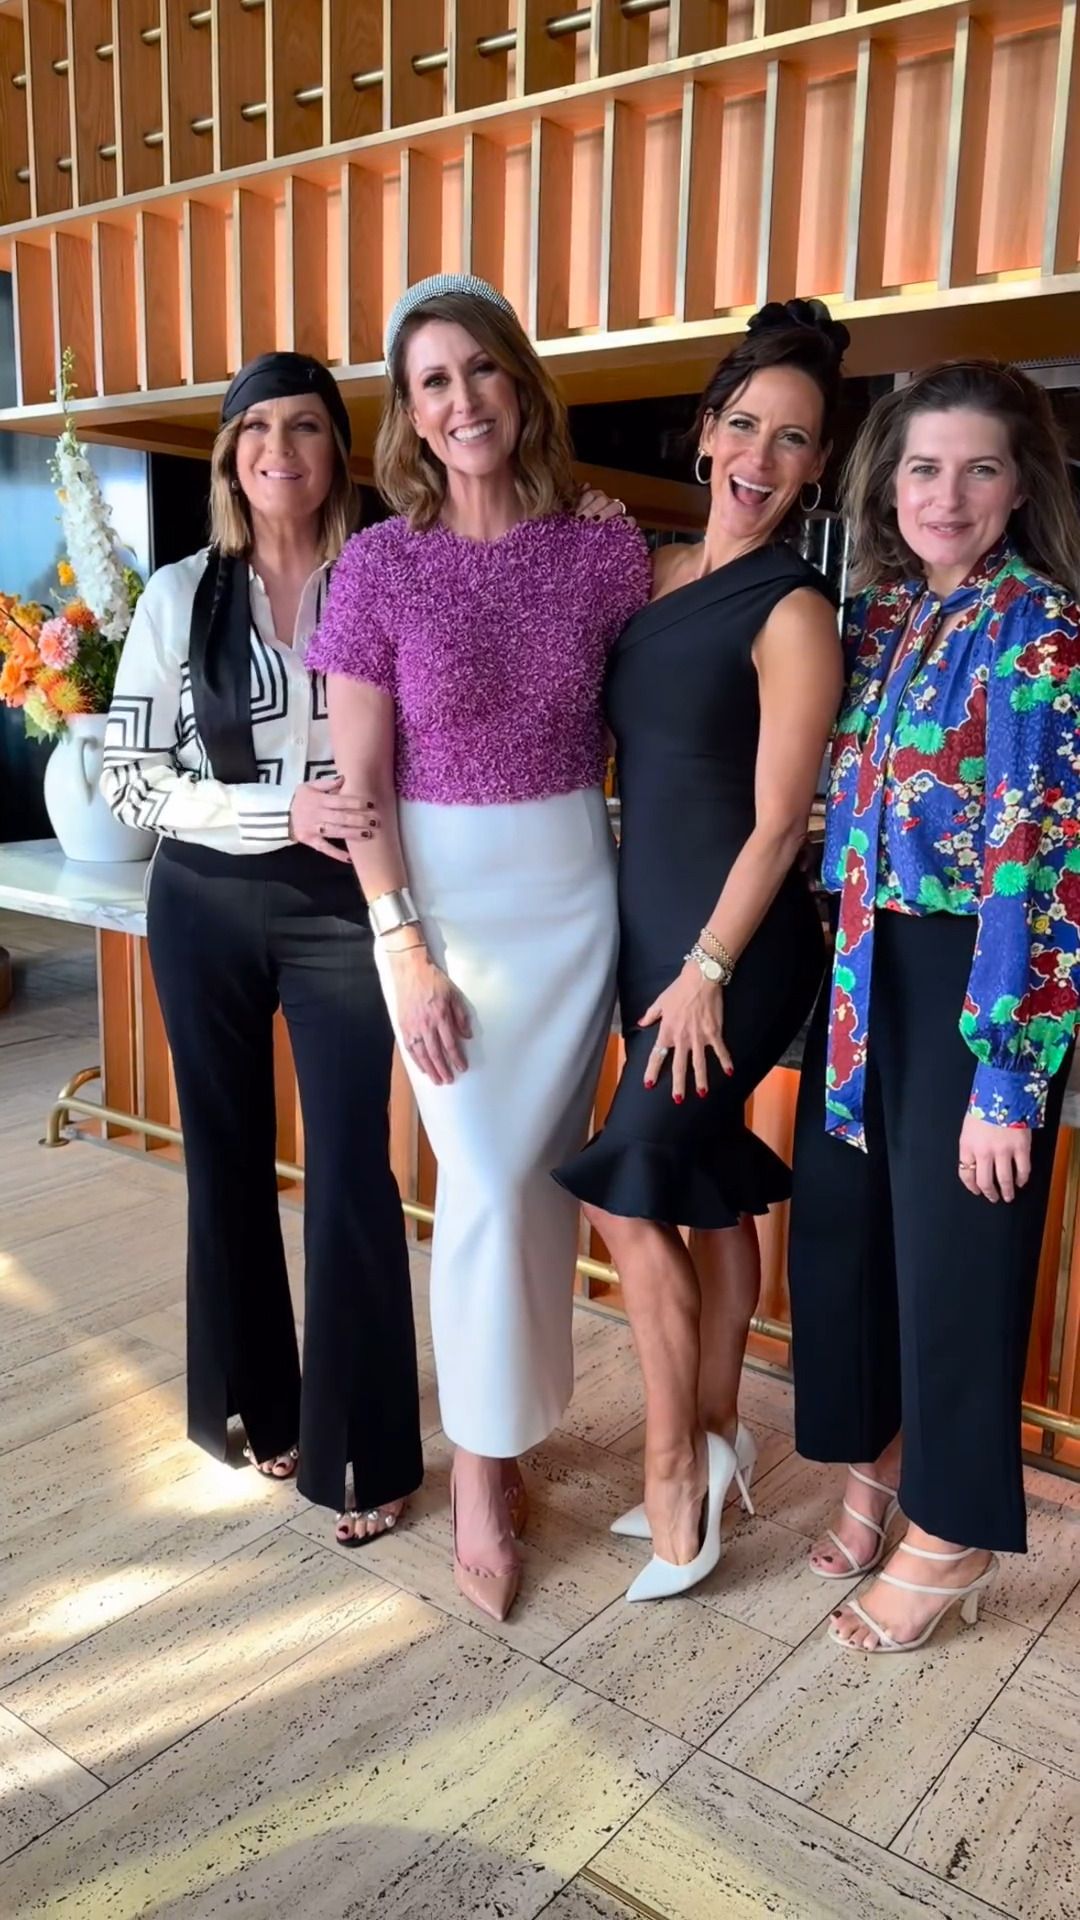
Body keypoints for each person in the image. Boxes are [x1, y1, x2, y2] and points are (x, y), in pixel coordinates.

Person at [307, 272, 650, 1622]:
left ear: (520, 381)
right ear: (410, 412)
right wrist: (400, 945)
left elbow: (685, 668)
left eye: (481, 370)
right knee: (489, 1183)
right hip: (442, 904)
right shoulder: (379, 565)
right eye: (433, 382)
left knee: (534, 1186)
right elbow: (358, 784)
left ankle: (508, 1436)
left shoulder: (606, 551)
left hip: (573, 895)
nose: (462, 401)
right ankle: (476, 1474)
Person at [102, 351, 423, 1546]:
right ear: (231, 457)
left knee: (352, 1169)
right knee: (227, 1156)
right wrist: (271, 809)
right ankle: (261, 1403)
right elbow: (128, 777)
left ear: (340, 447)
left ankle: (366, 1445)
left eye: (304, 427)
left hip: (346, 905)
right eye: (255, 431)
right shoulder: (179, 595)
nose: (278, 450)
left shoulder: (388, 574)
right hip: (206, 901)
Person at [555, 301, 848, 1601]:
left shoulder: (793, 610)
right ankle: (723, 1431)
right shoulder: (652, 571)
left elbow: (782, 822)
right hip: (648, 932)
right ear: (706, 430)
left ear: (817, 467)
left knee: (628, 1193)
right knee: (706, 1181)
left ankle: (676, 1474)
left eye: (792, 439)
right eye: (745, 424)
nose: (760, 456)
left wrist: (708, 968)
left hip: (733, 949)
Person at [788, 360, 1080, 1654]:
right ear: (888, 483)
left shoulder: (1040, 630)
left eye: (978, 468)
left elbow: (1043, 857)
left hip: (977, 974)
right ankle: (882, 1471)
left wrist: (1009, 1075)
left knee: (961, 1267)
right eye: (923, 466)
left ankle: (952, 1533)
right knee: (853, 1242)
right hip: (866, 972)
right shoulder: (888, 619)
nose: (945, 494)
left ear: (1020, 488)